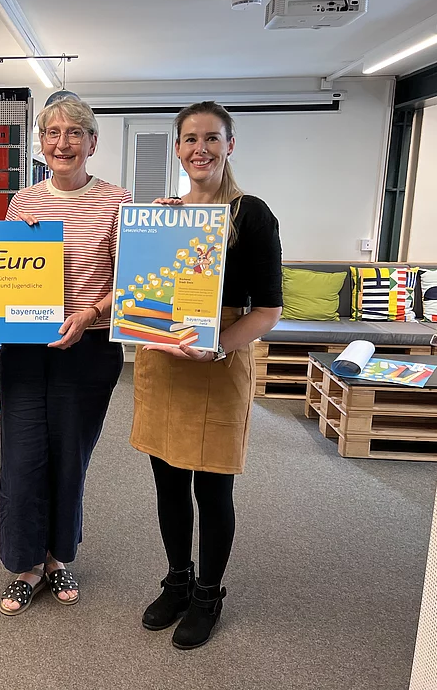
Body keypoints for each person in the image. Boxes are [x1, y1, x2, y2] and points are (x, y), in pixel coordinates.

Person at [133, 101, 282, 649]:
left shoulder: (252, 214)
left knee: (212, 488)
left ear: (230, 146)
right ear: (177, 148)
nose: (201, 148)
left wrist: (218, 345)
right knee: (168, 480)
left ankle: (208, 593)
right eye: (190, 139)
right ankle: (176, 580)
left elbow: (268, 310)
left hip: (218, 359)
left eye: (212, 138)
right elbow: (145, 291)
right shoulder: (164, 214)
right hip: (164, 358)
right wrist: (152, 232)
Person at [0, 95, 128, 616]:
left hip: (89, 349)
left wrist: (89, 315)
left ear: (92, 143)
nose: (62, 142)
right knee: (24, 458)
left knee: (70, 456)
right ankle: (23, 565)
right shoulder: (23, 200)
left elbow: (131, 283)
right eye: (52, 132)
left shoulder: (118, 202)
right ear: (40, 142)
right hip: (26, 349)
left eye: (74, 132)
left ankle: (56, 559)